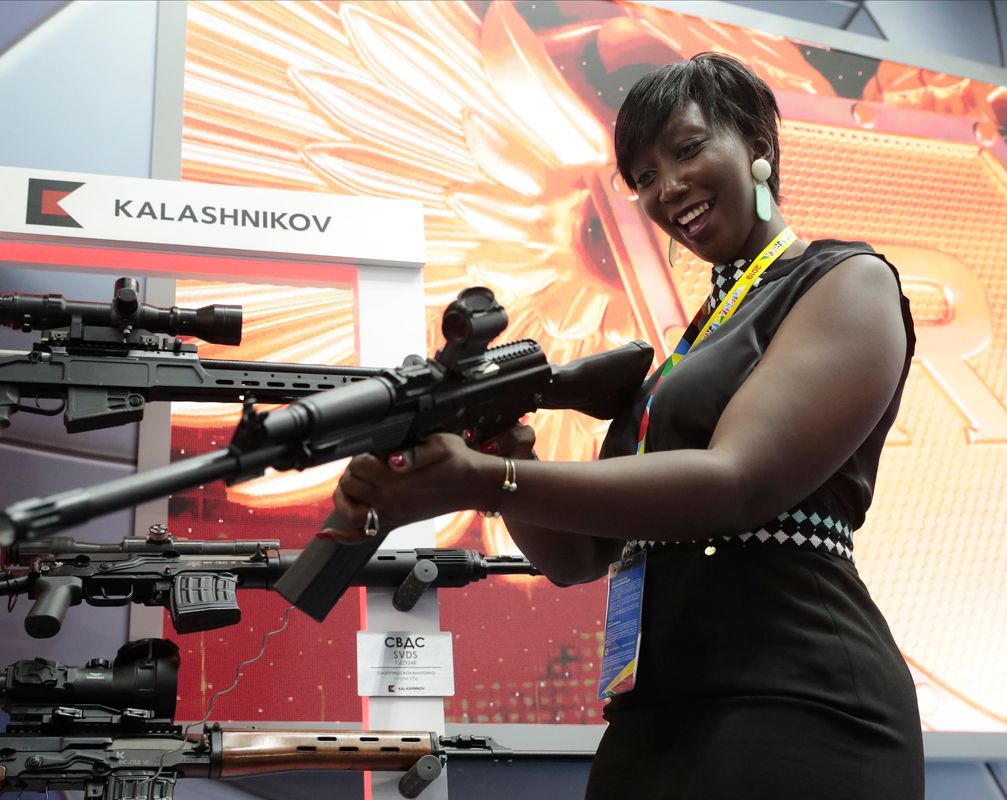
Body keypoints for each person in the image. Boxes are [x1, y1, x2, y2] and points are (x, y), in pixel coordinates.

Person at [327, 52, 924, 799]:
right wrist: (505, 457)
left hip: (795, 701)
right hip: (656, 717)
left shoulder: (846, 281)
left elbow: (734, 485)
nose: (666, 188)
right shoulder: (694, 343)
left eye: (685, 149)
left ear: (759, 148)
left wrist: (489, 477)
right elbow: (577, 558)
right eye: (641, 176)